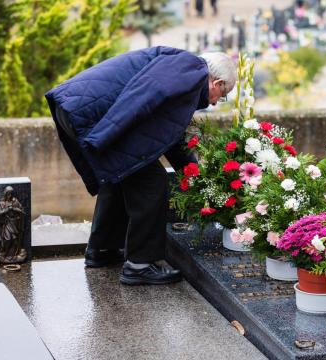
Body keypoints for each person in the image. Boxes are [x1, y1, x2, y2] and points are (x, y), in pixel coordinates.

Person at [45, 48, 236, 285]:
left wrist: (195, 176)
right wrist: (106, 133)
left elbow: (170, 138)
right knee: (151, 182)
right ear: (216, 82)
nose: (217, 103)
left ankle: (102, 250)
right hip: (95, 116)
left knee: (121, 173)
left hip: (79, 109)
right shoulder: (193, 70)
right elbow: (147, 91)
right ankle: (139, 265)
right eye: (223, 94)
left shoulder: (185, 74)